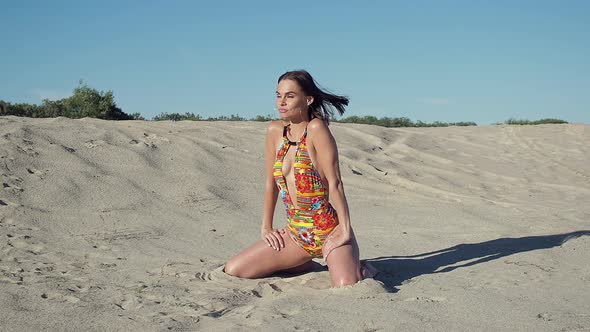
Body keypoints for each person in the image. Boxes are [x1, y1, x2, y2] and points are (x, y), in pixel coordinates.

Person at [223, 69, 375, 287]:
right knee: (235, 269)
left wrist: (345, 229)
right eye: (278, 95)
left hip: (328, 231)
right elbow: (270, 184)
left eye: (290, 96)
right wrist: (266, 227)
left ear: (308, 99)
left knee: (345, 285)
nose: (281, 102)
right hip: (296, 234)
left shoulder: (316, 129)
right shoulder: (275, 131)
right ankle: (310, 264)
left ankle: (361, 268)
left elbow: (335, 183)